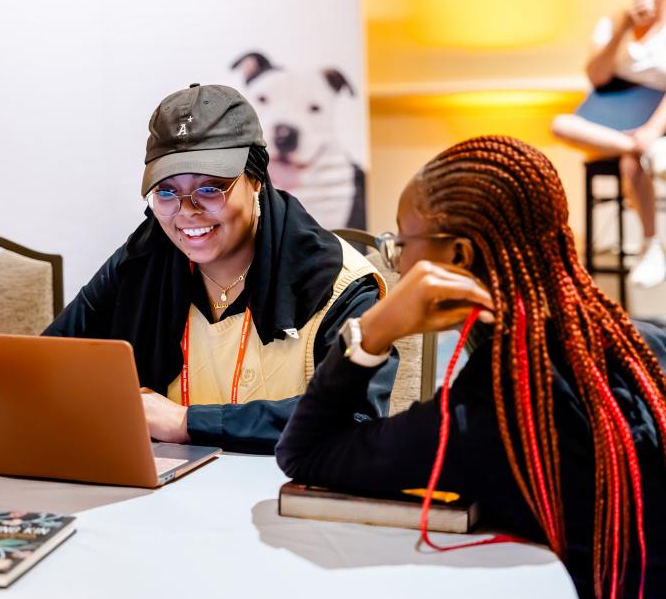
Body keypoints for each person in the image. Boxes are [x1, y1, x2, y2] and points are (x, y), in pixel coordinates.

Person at [276, 136, 666, 598]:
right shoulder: (642, 342)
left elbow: (306, 452)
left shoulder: (494, 409)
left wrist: (374, 330)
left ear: (457, 257)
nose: (398, 261)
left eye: (401, 243)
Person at [43, 83, 395, 454]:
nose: (187, 211)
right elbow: (46, 366)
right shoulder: (141, 260)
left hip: (283, 495)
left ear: (256, 179)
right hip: (161, 496)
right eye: (166, 191)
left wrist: (186, 422)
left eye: (211, 188)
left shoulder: (339, 282)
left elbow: (357, 418)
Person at [551, 0, 666, 288]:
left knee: (632, 162)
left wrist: (652, 129)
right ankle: (639, 147)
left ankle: (651, 245)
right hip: (616, 111)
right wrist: (623, 29)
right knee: (561, 124)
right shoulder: (615, 22)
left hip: (658, 112)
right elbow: (597, 77)